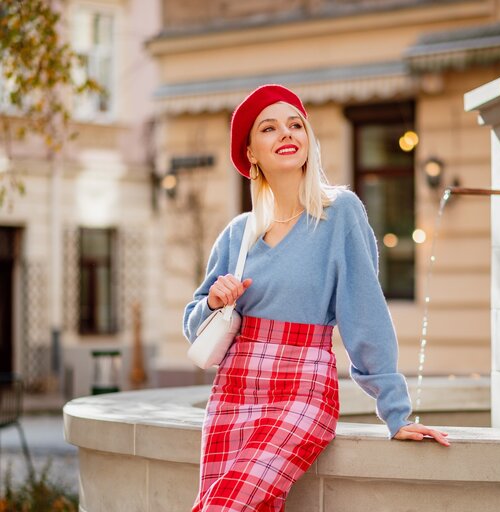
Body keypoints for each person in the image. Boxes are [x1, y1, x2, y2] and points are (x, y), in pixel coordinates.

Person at [184, 84, 450, 512]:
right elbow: (195, 327)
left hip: (302, 389)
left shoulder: (339, 212)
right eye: (269, 128)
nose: (287, 134)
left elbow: (365, 314)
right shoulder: (238, 234)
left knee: (224, 506)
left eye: (295, 125)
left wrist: (396, 412)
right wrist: (214, 302)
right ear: (250, 152)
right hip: (233, 390)